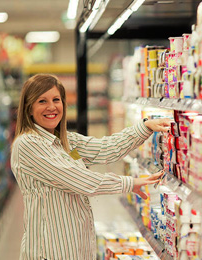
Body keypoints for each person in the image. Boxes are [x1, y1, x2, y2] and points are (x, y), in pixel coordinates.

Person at [10, 74, 171, 259]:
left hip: (75, 248)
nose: (51, 107)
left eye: (56, 99)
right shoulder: (28, 144)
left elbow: (105, 149)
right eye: (42, 101)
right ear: (29, 108)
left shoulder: (65, 142)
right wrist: (129, 183)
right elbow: (80, 180)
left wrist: (145, 127)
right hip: (50, 251)